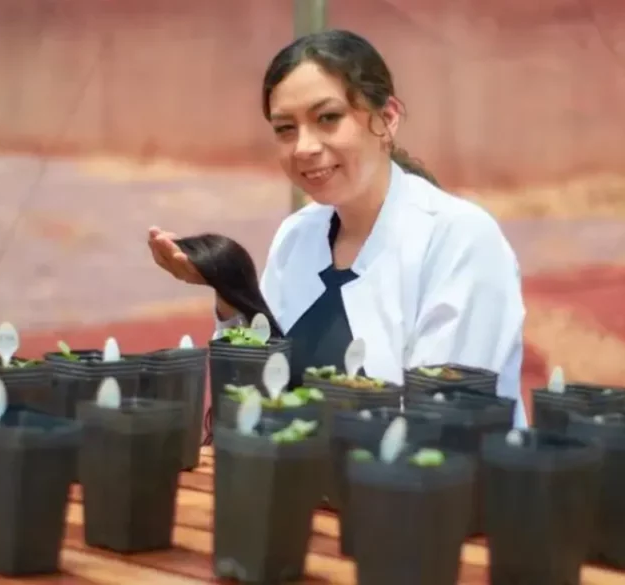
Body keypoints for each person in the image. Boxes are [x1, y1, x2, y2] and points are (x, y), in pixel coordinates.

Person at [148, 29, 529, 427]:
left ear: (388, 117)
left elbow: (445, 421)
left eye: (328, 118)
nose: (304, 147)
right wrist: (229, 286)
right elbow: (259, 394)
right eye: (285, 128)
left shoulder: (459, 239)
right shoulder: (297, 235)